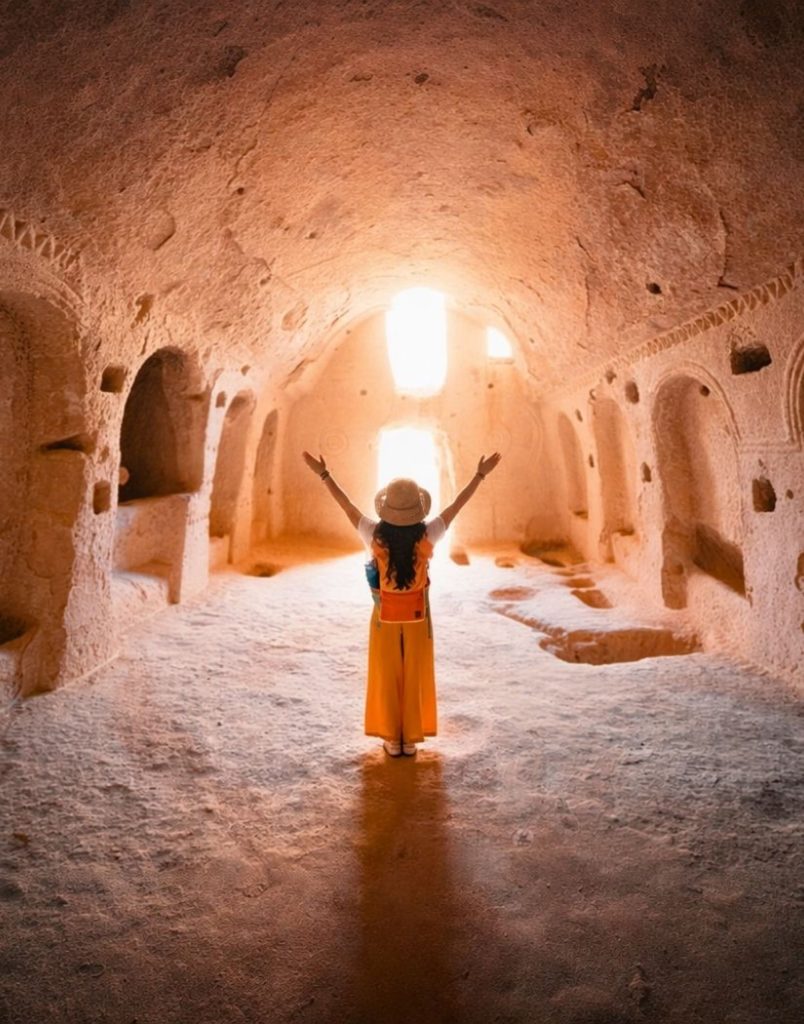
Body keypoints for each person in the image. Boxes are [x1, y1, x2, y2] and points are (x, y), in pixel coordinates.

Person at [301, 450, 502, 757]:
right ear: (417, 508)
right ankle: (410, 739)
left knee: (387, 671)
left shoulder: (373, 533)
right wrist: (480, 475)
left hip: (385, 615)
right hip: (419, 616)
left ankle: (392, 740)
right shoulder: (429, 533)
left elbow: (347, 506)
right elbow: (456, 506)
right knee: (414, 671)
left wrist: (324, 474)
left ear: (387, 507)